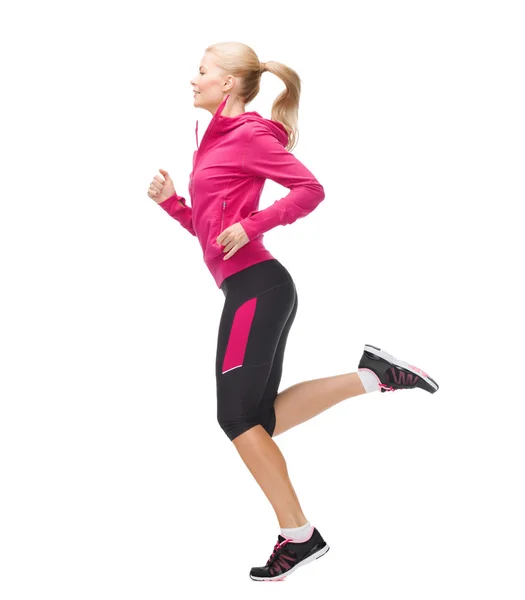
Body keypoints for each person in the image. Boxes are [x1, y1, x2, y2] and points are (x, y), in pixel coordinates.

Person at [147, 41, 440, 582]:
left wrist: (253, 225)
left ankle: (298, 535)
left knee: (234, 419)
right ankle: (373, 375)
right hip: (247, 286)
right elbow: (214, 235)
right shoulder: (212, 142)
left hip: (259, 287)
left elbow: (310, 190)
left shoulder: (251, 135)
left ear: (228, 83)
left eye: (202, 71)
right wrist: (172, 204)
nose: (194, 79)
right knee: (256, 421)